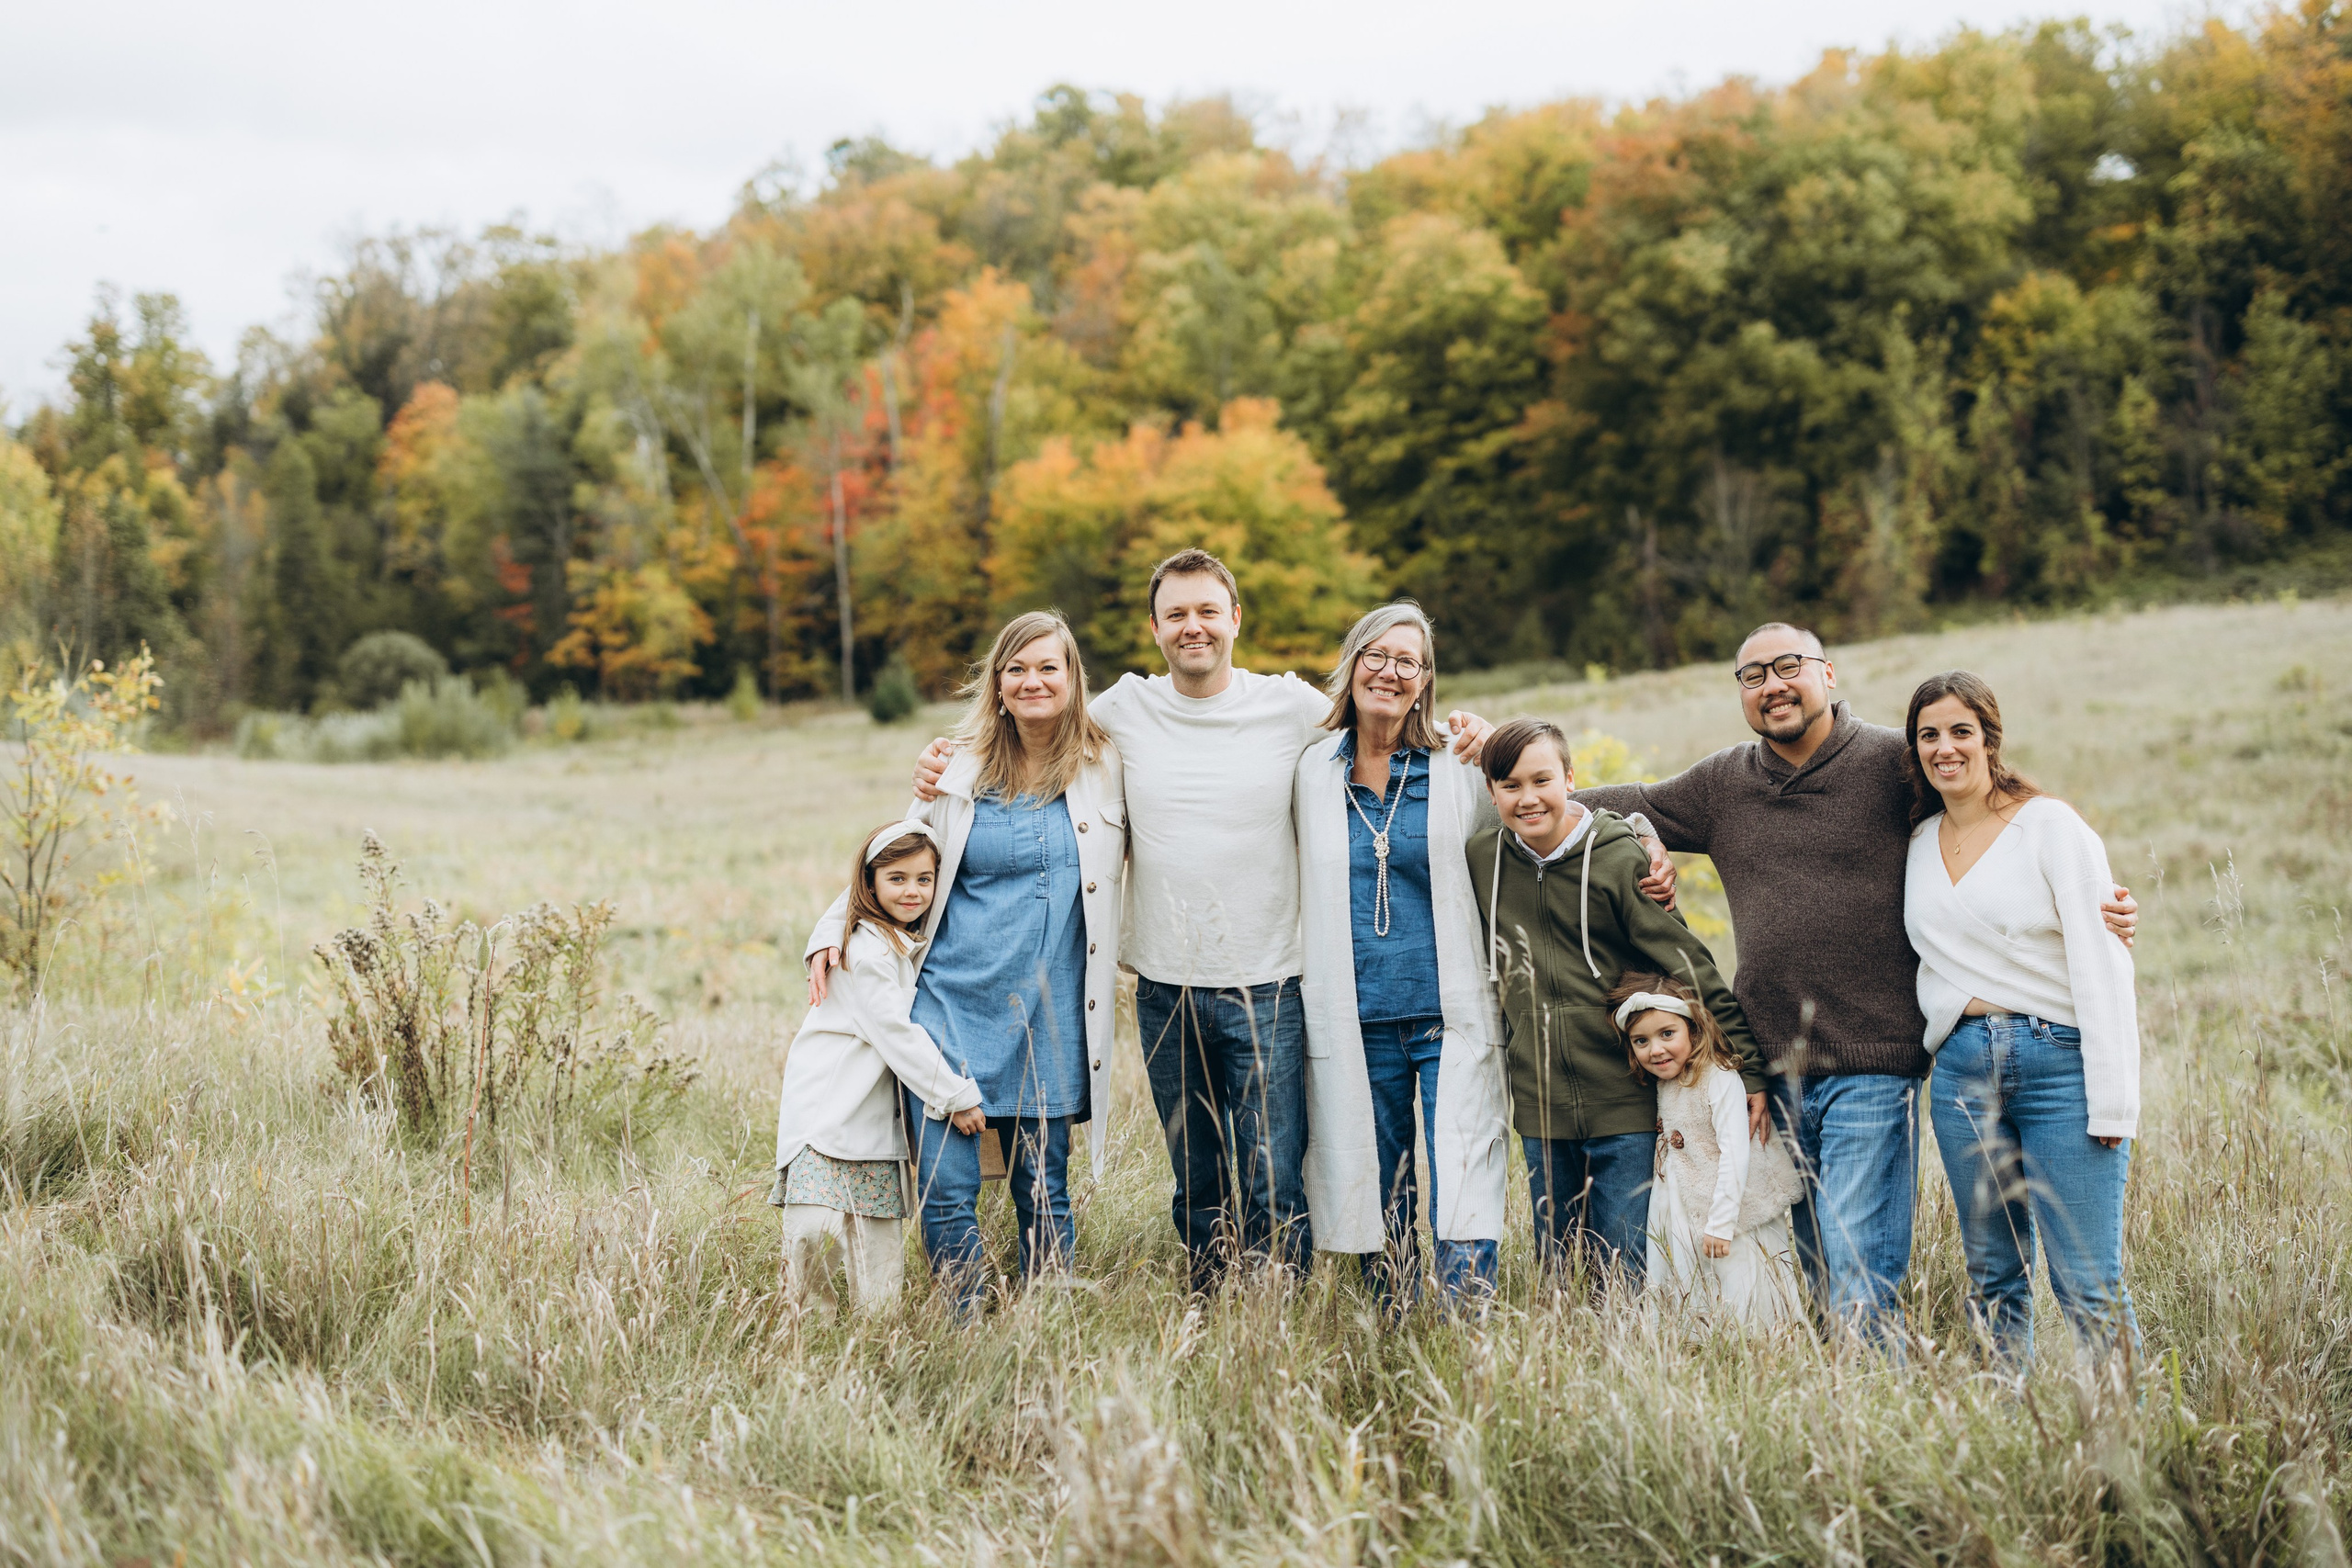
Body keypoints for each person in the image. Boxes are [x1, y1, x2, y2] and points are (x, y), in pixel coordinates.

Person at [910, 550, 1495, 1294]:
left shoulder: (1288, 707)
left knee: (1274, 1175)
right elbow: (1032, 716)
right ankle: (1211, 1304)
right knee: (1196, 1177)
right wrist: (944, 762)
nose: (1194, 627)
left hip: (1272, 985)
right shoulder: (1120, 710)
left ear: (1235, 619)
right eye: (1177, 613)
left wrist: (1468, 731)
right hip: (1164, 989)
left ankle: (1272, 1318)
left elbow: (1382, 707)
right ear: (1154, 627)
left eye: (1208, 611)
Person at [1572, 622, 2137, 1340]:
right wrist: (1500, 765)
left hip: (1875, 1063)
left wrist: (2102, 905)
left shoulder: (1894, 765)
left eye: (1789, 666)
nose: (1773, 684)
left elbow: (1993, 819)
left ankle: (1887, 1405)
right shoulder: (1723, 783)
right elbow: (1607, 802)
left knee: (1860, 1272)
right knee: (1805, 1266)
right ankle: (1848, 1427)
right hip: (1769, 1067)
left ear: (1827, 673)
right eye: (1753, 675)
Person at [804, 612, 1125, 1314]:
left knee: (1045, 1188)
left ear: (1074, 679)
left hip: (1049, 1013)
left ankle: (1047, 1320)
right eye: (1016, 668)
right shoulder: (958, 768)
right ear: (998, 685)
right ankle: (966, 1320)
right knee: (946, 1190)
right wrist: (831, 928)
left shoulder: (1109, 767)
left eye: (1049, 667)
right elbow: (893, 860)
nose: (1032, 680)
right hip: (950, 1007)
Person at [1467, 717, 1764, 1290]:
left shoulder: (1617, 857)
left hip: (1625, 1099)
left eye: (1542, 780)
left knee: (1624, 1264)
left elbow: (1686, 960)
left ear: (1571, 779)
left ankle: (1627, 1365)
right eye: (1510, 785)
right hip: (1540, 1101)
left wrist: (1745, 1063)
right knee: (1558, 1269)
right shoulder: (1482, 858)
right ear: (1491, 791)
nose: (1528, 798)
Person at [1904, 671, 2140, 1364]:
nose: (1945, 747)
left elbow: (2103, 960)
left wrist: (2114, 1101)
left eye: (1960, 731)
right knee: (1993, 1275)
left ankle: (2127, 1441)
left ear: (1989, 739)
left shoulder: (2049, 825)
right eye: (1928, 735)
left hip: (2057, 1061)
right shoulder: (1916, 843)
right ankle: (2010, 1429)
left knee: (2088, 1282)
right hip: (1961, 1071)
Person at [1294, 603, 1509, 1310]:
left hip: (1450, 1013)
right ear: (1352, 664)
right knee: (1378, 1179)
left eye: (1406, 661)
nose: (1388, 671)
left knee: (1464, 1167)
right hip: (1359, 1014)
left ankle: (1465, 1320)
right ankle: (1390, 1314)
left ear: (1425, 679)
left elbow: (1542, 811)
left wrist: (1642, 843)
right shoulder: (1311, 772)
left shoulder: (1460, 764)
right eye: (1375, 655)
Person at [772, 821, 984, 1317]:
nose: (912, 891)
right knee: (813, 1231)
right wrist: (955, 1095)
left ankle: (876, 1339)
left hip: (869, 1122)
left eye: (924, 879)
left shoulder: (895, 942)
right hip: (826, 1114)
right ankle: (812, 1336)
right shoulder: (866, 949)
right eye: (897, 878)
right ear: (868, 884)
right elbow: (896, 1034)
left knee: (877, 1244)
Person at [1612, 972, 1804, 1331]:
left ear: (1693, 1030)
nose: (1655, 1049)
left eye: (1667, 1034)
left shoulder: (1719, 1077)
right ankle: (1699, 1342)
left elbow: (1736, 1152)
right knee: (1695, 1284)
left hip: (1732, 1210)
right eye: (1641, 1041)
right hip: (1684, 1205)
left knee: (1745, 1284)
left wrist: (1721, 1222)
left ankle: (1760, 1346)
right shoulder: (1665, 1082)